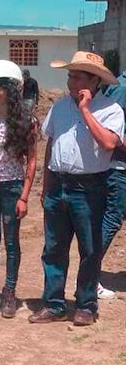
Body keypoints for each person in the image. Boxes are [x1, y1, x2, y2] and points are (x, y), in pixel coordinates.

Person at [28, 51, 124, 326]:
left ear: (93, 82)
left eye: (77, 76)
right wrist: (46, 186)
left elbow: (108, 144)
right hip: (59, 184)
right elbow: (51, 145)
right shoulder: (59, 107)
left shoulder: (110, 110)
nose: (70, 81)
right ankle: (54, 303)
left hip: (90, 188)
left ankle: (86, 305)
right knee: (54, 248)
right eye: (70, 76)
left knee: (90, 249)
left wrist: (85, 110)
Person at [0, 60, 38, 318]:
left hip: (13, 188)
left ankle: (9, 292)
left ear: (11, 89)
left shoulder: (28, 120)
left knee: (11, 243)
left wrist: (24, 196)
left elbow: (33, 160)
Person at [97, 68, 126, 299]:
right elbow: (112, 130)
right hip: (118, 167)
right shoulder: (122, 88)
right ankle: (90, 276)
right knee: (112, 218)